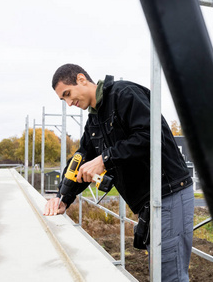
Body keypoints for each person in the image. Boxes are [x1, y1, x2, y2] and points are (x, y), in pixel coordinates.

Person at [43, 63, 194, 282]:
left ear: (82, 79)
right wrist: (62, 198)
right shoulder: (95, 120)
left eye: (68, 94)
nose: (69, 103)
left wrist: (104, 159)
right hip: (149, 204)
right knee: (161, 274)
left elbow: (152, 136)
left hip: (169, 195)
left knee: (171, 277)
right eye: (63, 100)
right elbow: (82, 157)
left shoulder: (123, 94)